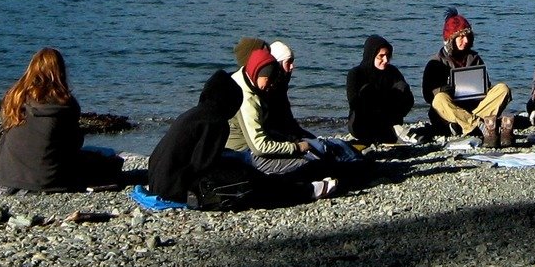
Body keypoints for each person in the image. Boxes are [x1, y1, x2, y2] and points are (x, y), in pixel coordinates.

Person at [0, 48, 124, 194]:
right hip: (48, 178)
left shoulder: (14, 97)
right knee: (108, 157)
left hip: (5, 177)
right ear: (60, 71)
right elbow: (74, 143)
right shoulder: (66, 103)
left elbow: (6, 127)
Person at [230, 47, 341, 200]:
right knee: (307, 164)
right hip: (242, 153)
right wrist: (294, 147)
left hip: (246, 148)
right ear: (259, 74)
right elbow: (259, 147)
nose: (269, 87)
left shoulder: (248, 82)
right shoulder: (248, 99)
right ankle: (309, 186)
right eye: (268, 81)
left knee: (318, 154)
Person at [146, 67, 250, 204]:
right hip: (174, 189)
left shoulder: (192, 114)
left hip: (157, 182)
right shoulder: (216, 122)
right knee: (245, 177)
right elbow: (203, 165)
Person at [421, 7, 512, 139]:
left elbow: (487, 86)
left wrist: (484, 88)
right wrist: (445, 89)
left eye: (467, 36)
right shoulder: (435, 62)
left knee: (503, 89)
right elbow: (428, 95)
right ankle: (476, 124)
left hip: (474, 107)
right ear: (451, 39)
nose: (466, 41)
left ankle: (467, 124)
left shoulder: (474, 58)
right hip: (450, 110)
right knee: (439, 99)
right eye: (461, 37)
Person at [346, 34, 415, 144]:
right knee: (367, 91)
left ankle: (390, 131)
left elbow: (407, 97)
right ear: (371, 55)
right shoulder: (356, 74)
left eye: (388, 55)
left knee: (402, 88)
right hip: (361, 123)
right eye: (381, 56)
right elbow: (353, 102)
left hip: (389, 120)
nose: (385, 60)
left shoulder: (392, 71)